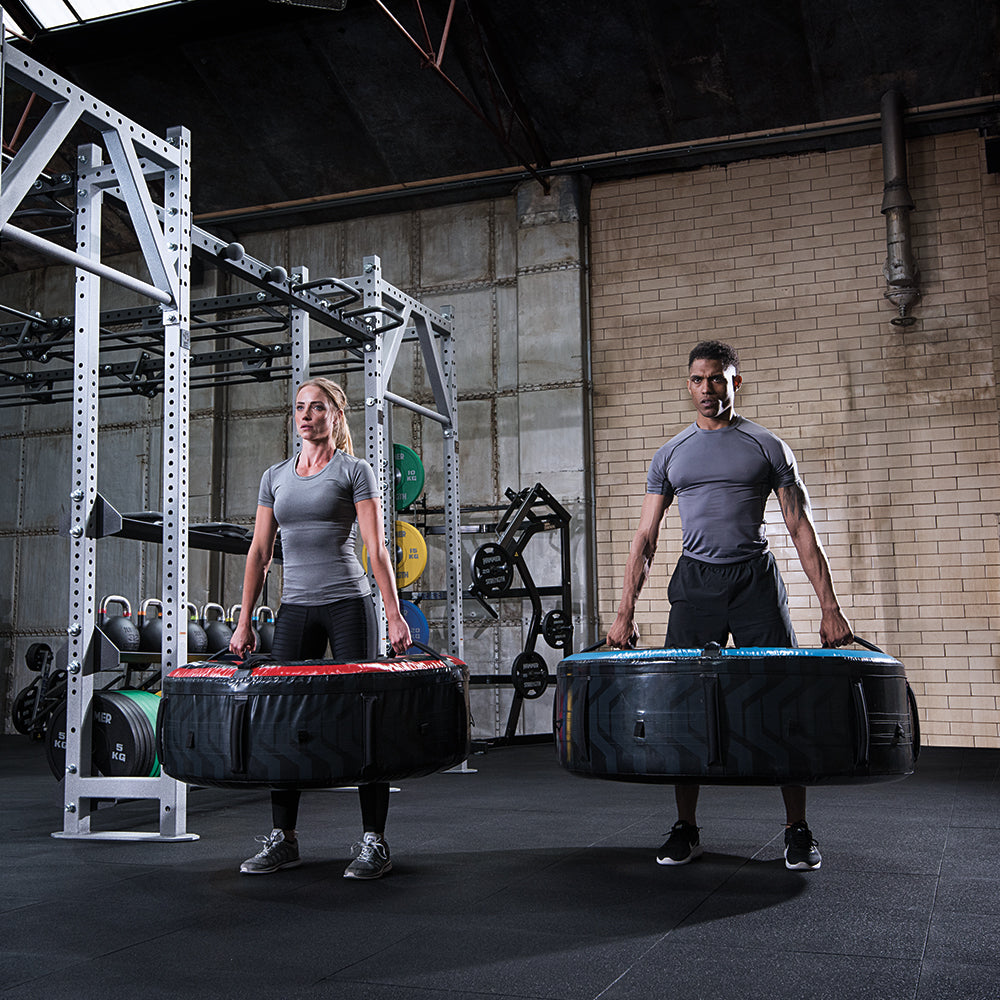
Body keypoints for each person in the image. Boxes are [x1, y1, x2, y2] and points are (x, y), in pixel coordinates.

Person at [607, 340, 852, 871]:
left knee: (781, 703)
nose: (706, 389)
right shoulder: (670, 454)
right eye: (697, 380)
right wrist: (624, 612)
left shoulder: (767, 446)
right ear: (688, 384)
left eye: (717, 379)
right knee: (682, 705)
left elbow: (799, 527)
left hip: (754, 581)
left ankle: (797, 828)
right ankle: (687, 827)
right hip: (695, 583)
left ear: (736, 383)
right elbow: (646, 537)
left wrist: (830, 608)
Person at [229, 376, 412, 880]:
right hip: (295, 608)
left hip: (348, 603)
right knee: (281, 718)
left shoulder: (355, 471)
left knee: (363, 719)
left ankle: (374, 841)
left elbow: (376, 550)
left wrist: (393, 614)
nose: (305, 415)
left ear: (336, 415)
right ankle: (283, 838)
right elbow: (260, 554)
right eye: (299, 408)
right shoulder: (275, 477)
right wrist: (244, 620)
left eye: (315, 407)